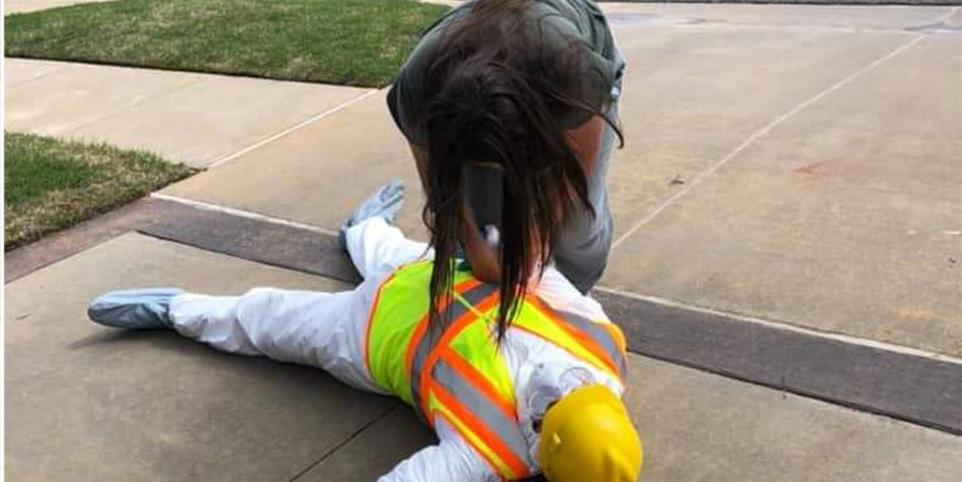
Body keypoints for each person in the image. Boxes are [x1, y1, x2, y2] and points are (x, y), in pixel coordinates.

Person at [86, 182, 643, 482]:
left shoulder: (490, 453)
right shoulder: (598, 343)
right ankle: (364, 226)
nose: (557, 380)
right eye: (575, 387)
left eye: (553, 404)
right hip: (435, 275)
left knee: (272, 319)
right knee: (380, 247)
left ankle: (176, 310)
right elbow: (536, 270)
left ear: (544, 447)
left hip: (371, 334)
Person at [388, 0, 624, 295]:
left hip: (562, 46)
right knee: (479, 246)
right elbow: (445, 202)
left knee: (577, 230)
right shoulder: (416, 97)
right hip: (467, 36)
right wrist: (485, 252)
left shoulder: (573, 79)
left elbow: (569, 187)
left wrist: (531, 247)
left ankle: (576, 298)